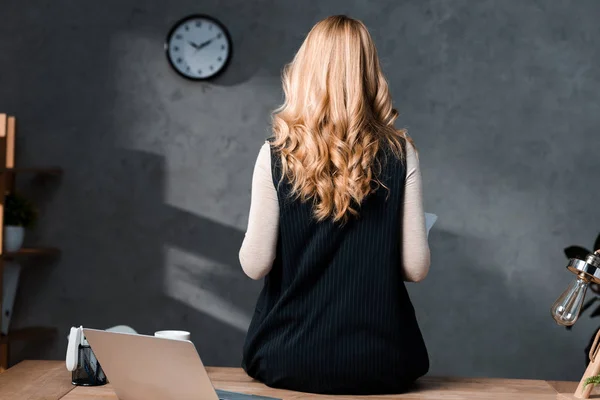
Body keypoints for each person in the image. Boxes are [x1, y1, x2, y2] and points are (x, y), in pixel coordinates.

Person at [239, 15, 430, 395]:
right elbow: (416, 268)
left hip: (286, 358)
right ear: (369, 73)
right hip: (382, 362)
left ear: (305, 70)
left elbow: (255, 264)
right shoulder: (400, 153)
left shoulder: (277, 155)